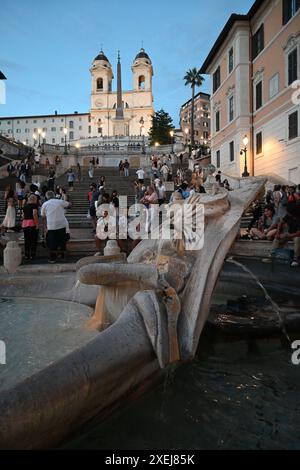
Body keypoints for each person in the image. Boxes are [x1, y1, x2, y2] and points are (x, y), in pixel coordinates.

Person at [41, 191, 71, 263]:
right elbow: (69, 204)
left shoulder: (45, 204)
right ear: (54, 195)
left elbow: (43, 216)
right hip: (61, 224)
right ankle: (62, 256)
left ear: (47, 197)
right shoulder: (59, 202)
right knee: (62, 241)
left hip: (51, 226)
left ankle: (52, 258)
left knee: (52, 242)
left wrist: (45, 227)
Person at [22, 194, 39, 260]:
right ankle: (32, 255)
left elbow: (23, 216)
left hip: (25, 223)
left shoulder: (25, 206)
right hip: (32, 223)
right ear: (34, 199)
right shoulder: (34, 206)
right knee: (33, 240)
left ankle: (26, 255)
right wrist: (37, 224)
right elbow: (34, 214)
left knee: (27, 240)